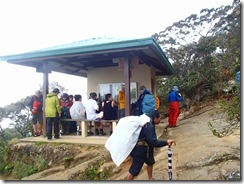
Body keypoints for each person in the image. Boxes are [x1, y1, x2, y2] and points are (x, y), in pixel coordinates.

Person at [127, 110, 175, 180]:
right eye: (159, 118)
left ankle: (150, 178)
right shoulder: (149, 126)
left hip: (145, 148)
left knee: (150, 162)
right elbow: (153, 142)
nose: (160, 120)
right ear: (155, 118)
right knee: (134, 170)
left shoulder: (148, 123)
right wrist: (166, 142)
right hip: (140, 150)